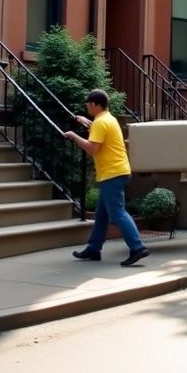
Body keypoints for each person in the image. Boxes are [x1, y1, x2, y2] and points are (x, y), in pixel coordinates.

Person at [64, 89, 150, 267]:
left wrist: (73, 136)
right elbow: (99, 133)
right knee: (102, 214)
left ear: (95, 104)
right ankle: (94, 248)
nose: (86, 106)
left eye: (88, 103)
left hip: (112, 173)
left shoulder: (100, 123)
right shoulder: (107, 119)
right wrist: (87, 123)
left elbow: (92, 148)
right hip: (117, 172)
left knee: (118, 212)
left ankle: (137, 247)